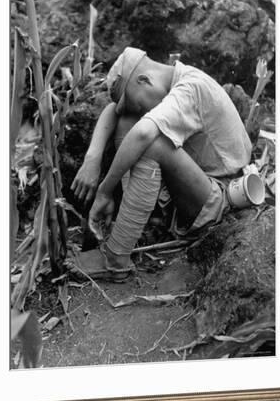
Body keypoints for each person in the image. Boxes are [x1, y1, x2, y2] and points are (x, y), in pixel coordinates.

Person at [69, 47, 252, 281]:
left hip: (220, 198)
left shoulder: (190, 87)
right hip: (191, 190)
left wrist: (104, 191)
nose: (140, 110)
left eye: (135, 102)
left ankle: (116, 257)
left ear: (144, 79)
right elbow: (113, 111)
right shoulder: (172, 79)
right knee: (129, 121)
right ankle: (136, 227)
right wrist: (92, 159)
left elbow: (144, 134)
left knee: (149, 142)